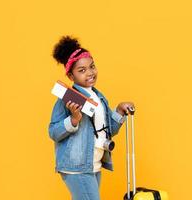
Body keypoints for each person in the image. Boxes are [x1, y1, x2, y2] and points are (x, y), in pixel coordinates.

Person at [48, 35, 135, 200]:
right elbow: (53, 131)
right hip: (76, 167)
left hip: (93, 164)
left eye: (92, 66)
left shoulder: (99, 97)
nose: (90, 73)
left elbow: (108, 131)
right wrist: (73, 120)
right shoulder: (66, 98)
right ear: (71, 77)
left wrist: (119, 111)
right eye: (82, 70)